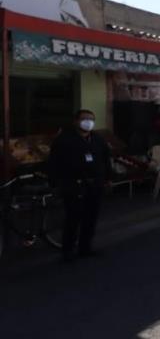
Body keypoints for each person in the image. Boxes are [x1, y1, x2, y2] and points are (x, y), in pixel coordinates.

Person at [48, 110, 111, 260]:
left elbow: (105, 159)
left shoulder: (97, 139)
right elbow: (54, 163)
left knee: (91, 218)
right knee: (73, 218)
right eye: (84, 119)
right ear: (75, 121)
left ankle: (85, 247)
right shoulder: (64, 140)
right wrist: (55, 183)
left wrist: (108, 178)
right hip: (73, 185)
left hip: (94, 184)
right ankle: (68, 250)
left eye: (91, 119)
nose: (88, 122)